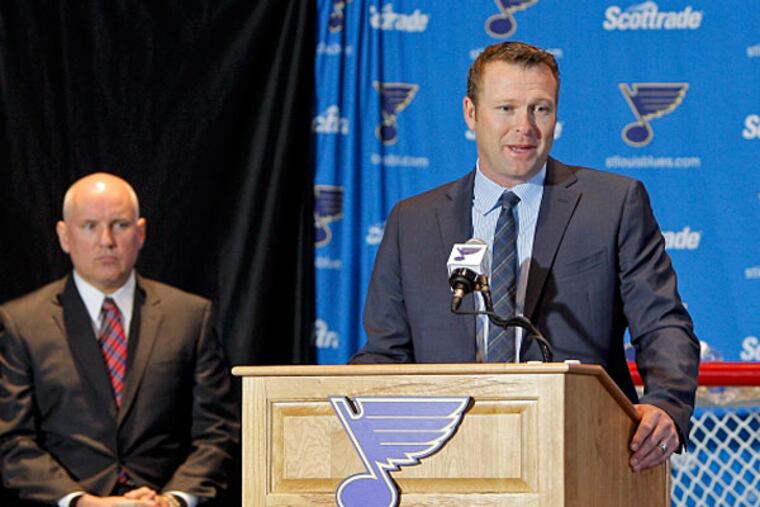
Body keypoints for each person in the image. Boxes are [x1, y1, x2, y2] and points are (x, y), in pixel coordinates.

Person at [352, 41, 700, 473]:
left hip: (578, 453)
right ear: (471, 113)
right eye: (506, 109)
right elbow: (386, 353)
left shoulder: (612, 204)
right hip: (445, 462)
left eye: (540, 109)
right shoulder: (413, 222)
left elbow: (663, 321)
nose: (525, 127)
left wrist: (665, 404)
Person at [0, 173, 239, 506]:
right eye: (89, 226)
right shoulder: (22, 323)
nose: (106, 240)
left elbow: (218, 432)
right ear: (64, 235)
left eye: (120, 225)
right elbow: (12, 441)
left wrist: (172, 500)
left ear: (141, 233)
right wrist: (84, 502)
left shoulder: (190, 317)